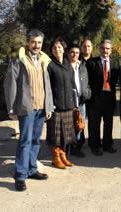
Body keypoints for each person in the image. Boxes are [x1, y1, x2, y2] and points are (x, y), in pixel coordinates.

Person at [4, 29, 53, 192]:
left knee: (36, 140)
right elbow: (10, 84)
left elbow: (47, 86)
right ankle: (20, 175)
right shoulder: (19, 60)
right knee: (25, 141)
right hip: (26, 108)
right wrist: (11, 107)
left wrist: (49, 105)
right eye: (33, 42)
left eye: (39, 42)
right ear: (28, 42)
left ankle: (31, 170)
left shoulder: (44, 60)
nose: (36, 45)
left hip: (40, 108)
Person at [46, 38, 76, 169]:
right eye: (54, 47)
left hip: (68, 105)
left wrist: (74, 102)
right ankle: (56, 157)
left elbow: (71, 84)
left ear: (64, 49)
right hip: (56, 106)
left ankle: (63, 155)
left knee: (66, 134)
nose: (57, 49)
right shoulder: (49, 65)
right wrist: (49, 104)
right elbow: (47, 86)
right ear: (51, 50)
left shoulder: (68, 63)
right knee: (56, 135)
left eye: (59, 47)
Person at [86, 39, 119, 156]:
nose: (105, 50)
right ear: (99, 49)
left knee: (108, 123)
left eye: (108, 48)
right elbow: (87, 81)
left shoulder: (115, 63)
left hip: (109, 97)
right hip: (96, 98)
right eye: (103, 48)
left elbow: (114, 81)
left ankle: (107, 145)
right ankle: (95, 146)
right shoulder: (91, 62)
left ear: (111, 50)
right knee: (94, 123)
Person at [68, 44, 92, 157]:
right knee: (70, 125)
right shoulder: (65, 66)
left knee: (80, 124)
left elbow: (86, 83)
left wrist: (87, 93)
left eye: (77, 53)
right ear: (68, 53)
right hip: (69, 101)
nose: (75, 55)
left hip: (81, 101)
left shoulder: (82, 66)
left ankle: (78, 146)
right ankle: (71, 147)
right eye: (72, 52)